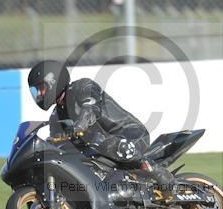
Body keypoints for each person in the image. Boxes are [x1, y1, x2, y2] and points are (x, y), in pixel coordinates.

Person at [28, 60, 175, 199]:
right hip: (99, 149)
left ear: (53, 82)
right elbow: (57, 143)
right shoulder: (55, 116)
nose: (39, 95)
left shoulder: (82, 87)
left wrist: (79, 126)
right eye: (36, 91)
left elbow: (90, 109)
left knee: (106, 143)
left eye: (41, 89)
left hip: (130, 134)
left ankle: (160, 175)